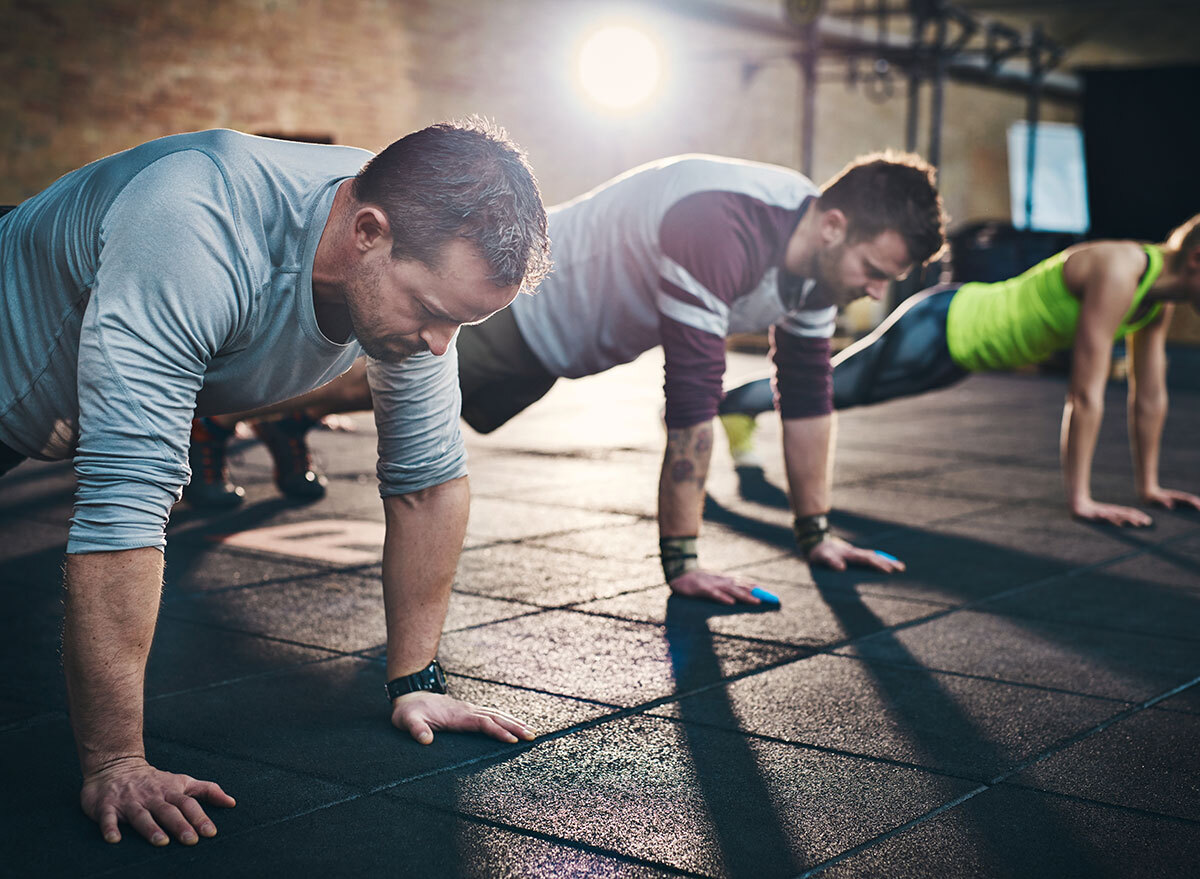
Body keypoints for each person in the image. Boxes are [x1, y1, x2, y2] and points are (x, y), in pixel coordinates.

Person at [0, 121, 551, 846]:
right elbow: (124, 506)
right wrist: (116, 762)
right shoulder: (194, 223)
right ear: (367, 232)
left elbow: (427, 479)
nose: (440, 344)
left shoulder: (409, 236)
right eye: (430, 310)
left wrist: (416, 680)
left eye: (463, 321)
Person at [194, 151, 947, 604]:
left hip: (562, 351)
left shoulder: (821, 273)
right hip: (523, 309)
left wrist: (816, 533)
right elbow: (690, 401)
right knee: (382, 382)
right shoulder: (720, 224)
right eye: (875, 272)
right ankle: (219, 414)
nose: (877, 292)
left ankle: (280, 418)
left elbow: (808, 395)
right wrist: (681, 562)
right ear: (833, 226)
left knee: (404, 401)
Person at [719, 214, 1200, 525]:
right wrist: (1082, 501)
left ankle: (739, 407)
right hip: (944, 325)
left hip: (959, 354)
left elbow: (1150, 395)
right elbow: (1085, 392)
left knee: (841, 391)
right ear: (1196, 260)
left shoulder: (1156, 299)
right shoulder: (1121, 269)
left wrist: (1149, 487)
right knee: (830, 390)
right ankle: (730, 404)